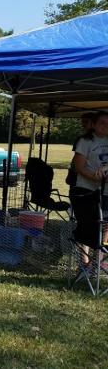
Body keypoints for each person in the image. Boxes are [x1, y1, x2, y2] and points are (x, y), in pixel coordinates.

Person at [70, 111, 108, 268]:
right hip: (86, 190)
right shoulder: (85, 141)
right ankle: (85, 264)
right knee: (87, 225)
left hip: (106, 191)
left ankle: (99, 262)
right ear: (93, 124)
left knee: (106, 224)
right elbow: (78, 166)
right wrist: (94, 177)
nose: (106, 126)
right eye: (102, 122)